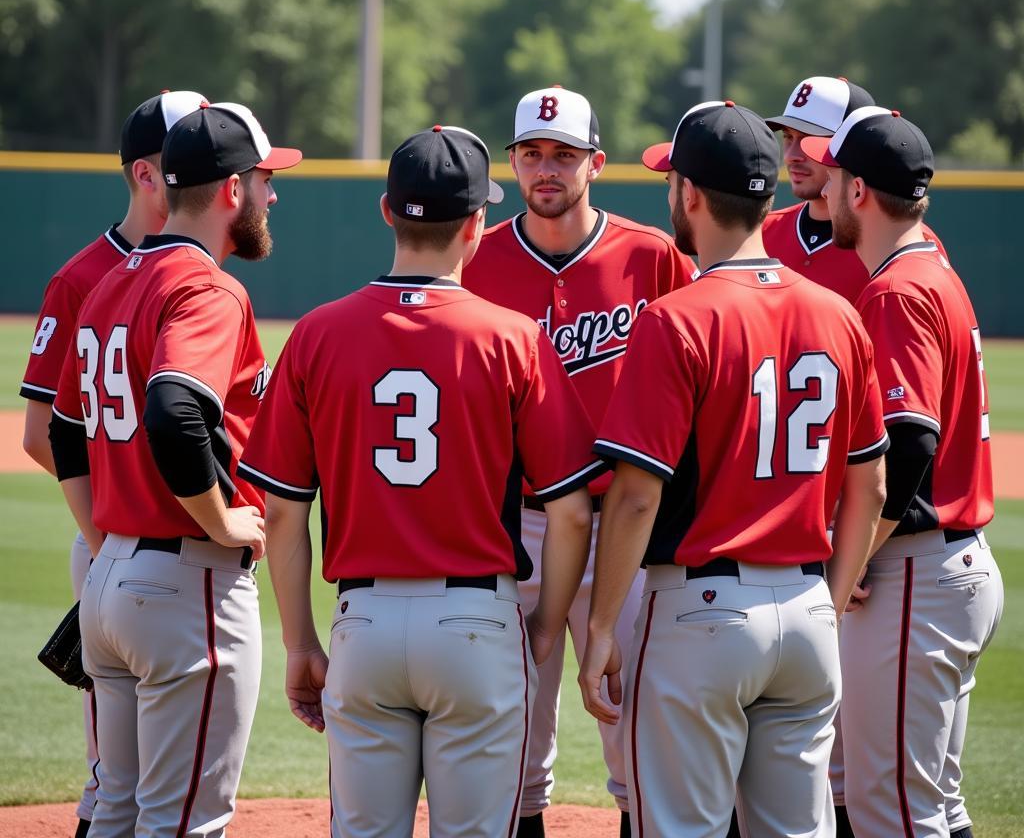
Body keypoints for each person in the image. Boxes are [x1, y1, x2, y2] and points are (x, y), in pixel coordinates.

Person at [238, 124, 599, 838]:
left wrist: (302, 644)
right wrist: (547, 626)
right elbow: (573, 513)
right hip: (477, 623)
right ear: (477, 223)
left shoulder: (316, 333)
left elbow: (282, 513)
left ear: (386, 210)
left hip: (363, 625)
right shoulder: (512, 337)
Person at [579, 100, 890, 838]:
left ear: (687, 193)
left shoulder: (677, 316)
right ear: (768, 195)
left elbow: (632, 500)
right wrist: (829, 599)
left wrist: (597, 628)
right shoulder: (837, 312)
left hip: (701, 615)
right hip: (809, 609)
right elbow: (871, 486)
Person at [49, 101, 301, 838]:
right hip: (185, 585)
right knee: (183, 821)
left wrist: (105, 545)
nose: (272, 194)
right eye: (263, 179)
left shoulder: (112, 282)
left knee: (114, 812)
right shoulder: (209, 289)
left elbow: (67, 435)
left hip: (111, 582)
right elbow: (173, 410)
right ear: (230, 190)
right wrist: (220, 518)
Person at [463, 86, 695, 838]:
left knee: (634, 728)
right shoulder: (479, 257)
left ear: (596, 162)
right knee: (515, 733)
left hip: (625, 521)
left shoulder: (651, 256)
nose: (546, 170)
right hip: (523, 523)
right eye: (531, 155)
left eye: (564, 155)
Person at [20, 88, 206, 837]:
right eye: (180, 154)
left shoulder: (195, 265)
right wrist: (108, 541)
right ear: (144, 174)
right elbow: (42, 432)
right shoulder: (83, 275)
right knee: (116, 781)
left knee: (152, 778)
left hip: (156, 553)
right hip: (111, 538)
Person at [821, 106, 1003, 838]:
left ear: (859, 190)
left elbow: (909, 444)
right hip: (951, 570)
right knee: (933, 806)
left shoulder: (896, 291)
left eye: (832, 178)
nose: (821, 193)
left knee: (892, 811)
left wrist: (851, 557)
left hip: (915, 580)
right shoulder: (933, 268)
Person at [760, 76, 946, 306]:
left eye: (809, 138)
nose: (791, 155)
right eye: (788, 137)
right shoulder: (760, 233)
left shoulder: (899, 242)